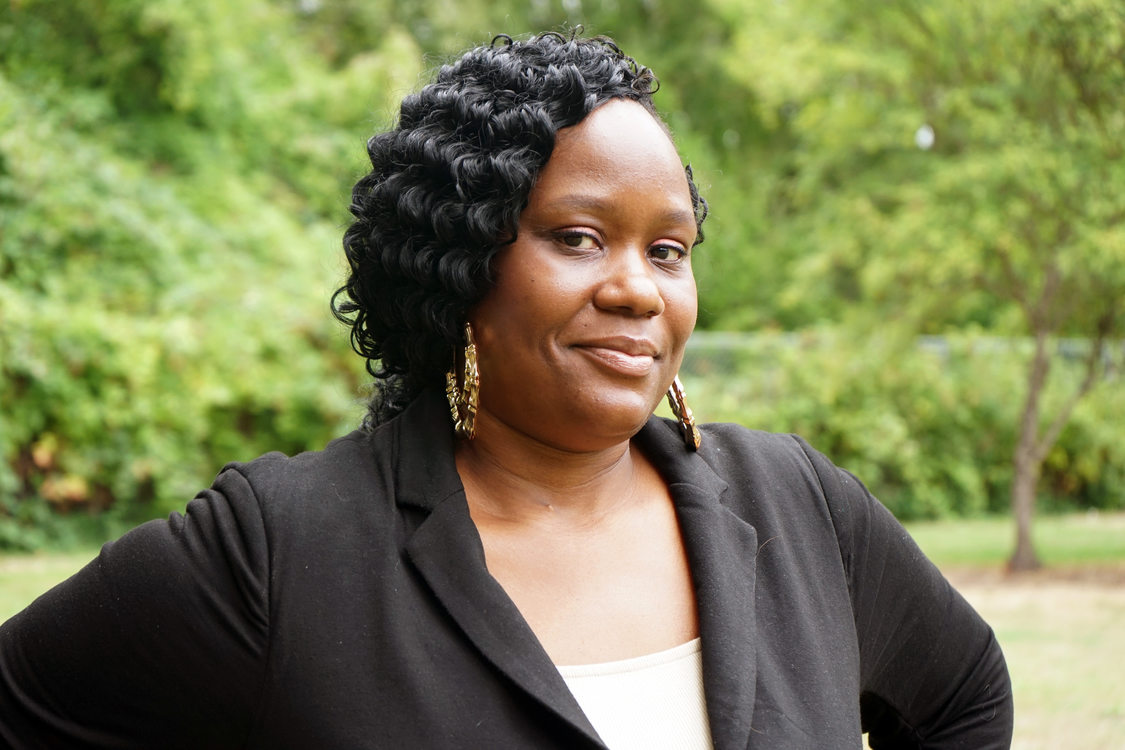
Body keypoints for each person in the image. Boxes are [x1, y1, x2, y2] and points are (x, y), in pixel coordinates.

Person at [0, 31, 1012, 749]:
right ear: (460, 265)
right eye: (578, 237)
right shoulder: (280, 550)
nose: (634, 287)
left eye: (668, 250)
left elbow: (965, 695)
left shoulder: (800, 507)